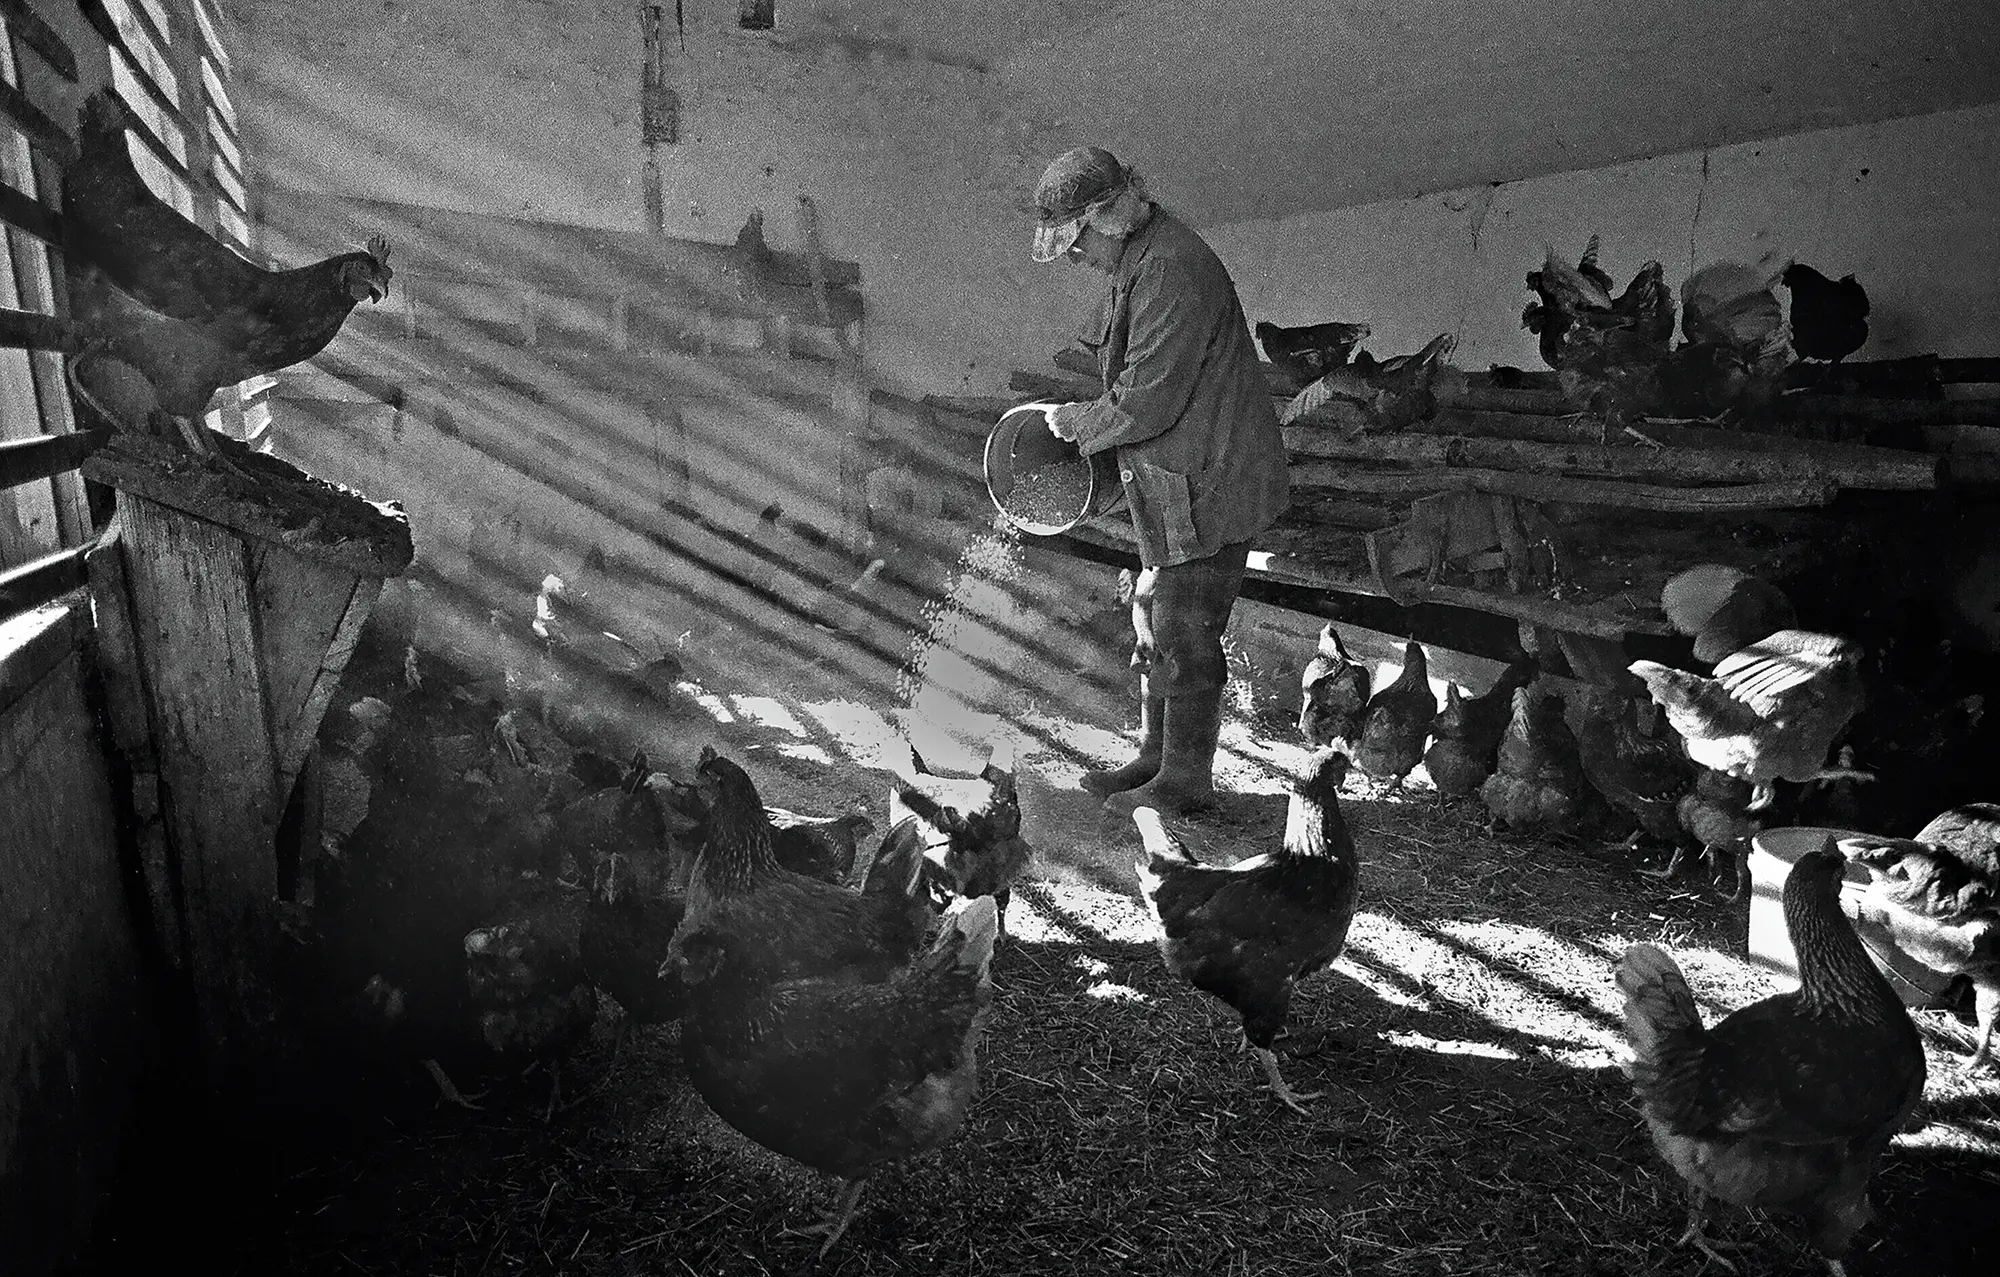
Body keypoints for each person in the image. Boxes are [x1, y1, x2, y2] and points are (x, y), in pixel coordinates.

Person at [1031, 145, 1291, 814]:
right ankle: (1156, 756)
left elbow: (1148, 398)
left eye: (1074, 240)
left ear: (1107, 217)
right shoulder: (1136, 260)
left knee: (1183, 625)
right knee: (1154, 613)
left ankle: (1186, 780)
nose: (1071, 255)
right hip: (1183, 469)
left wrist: (1074, 424)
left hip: (1216, 474)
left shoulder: (1170, 267)